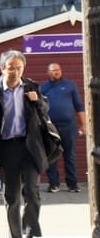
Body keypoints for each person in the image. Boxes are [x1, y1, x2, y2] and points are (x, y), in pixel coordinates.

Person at [0, 50, 51, 238]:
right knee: (12, 198)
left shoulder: (31, 86)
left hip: (29, 148)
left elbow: (45, 110)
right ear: (2, 69)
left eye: (19, 68)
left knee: (33, 196)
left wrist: (37, 101)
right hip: (5, 149)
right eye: (11, 68)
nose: (16, 72)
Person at [40, 62, 86, 193]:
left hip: (68, 126)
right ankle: (54, 184)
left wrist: (84, 124)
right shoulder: (43, 88)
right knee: (51, 155)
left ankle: (72, 184)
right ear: (48, 72)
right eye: (54, 70)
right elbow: (38, 107)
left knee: (69, 155)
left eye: (59, 70)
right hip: (50, 127)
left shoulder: (70, 85)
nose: (57, 72)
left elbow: (79, 106)